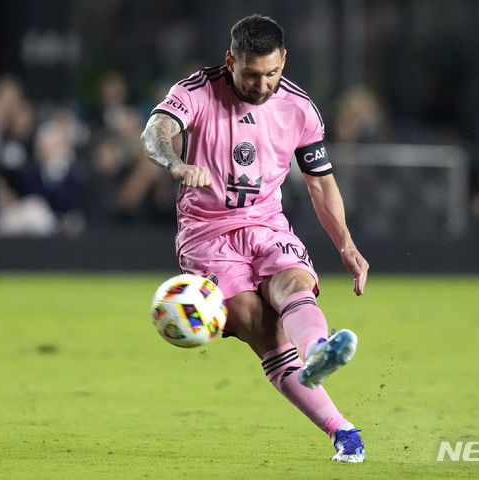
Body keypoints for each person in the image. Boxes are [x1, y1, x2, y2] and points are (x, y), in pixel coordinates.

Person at [140, 14, 369, 463]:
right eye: (250, 74)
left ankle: (319, 352)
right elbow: (156, 132)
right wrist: (176, 164)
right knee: (260, 325)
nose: (262, 85)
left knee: (292, 282)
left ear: (283, 60)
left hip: (266, 224)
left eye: (272, 73)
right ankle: (342, 429)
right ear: (230, 61)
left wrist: (346, 244)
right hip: (207, 235)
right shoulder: (197, 91)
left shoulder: (300, 108)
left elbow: (321, 183)